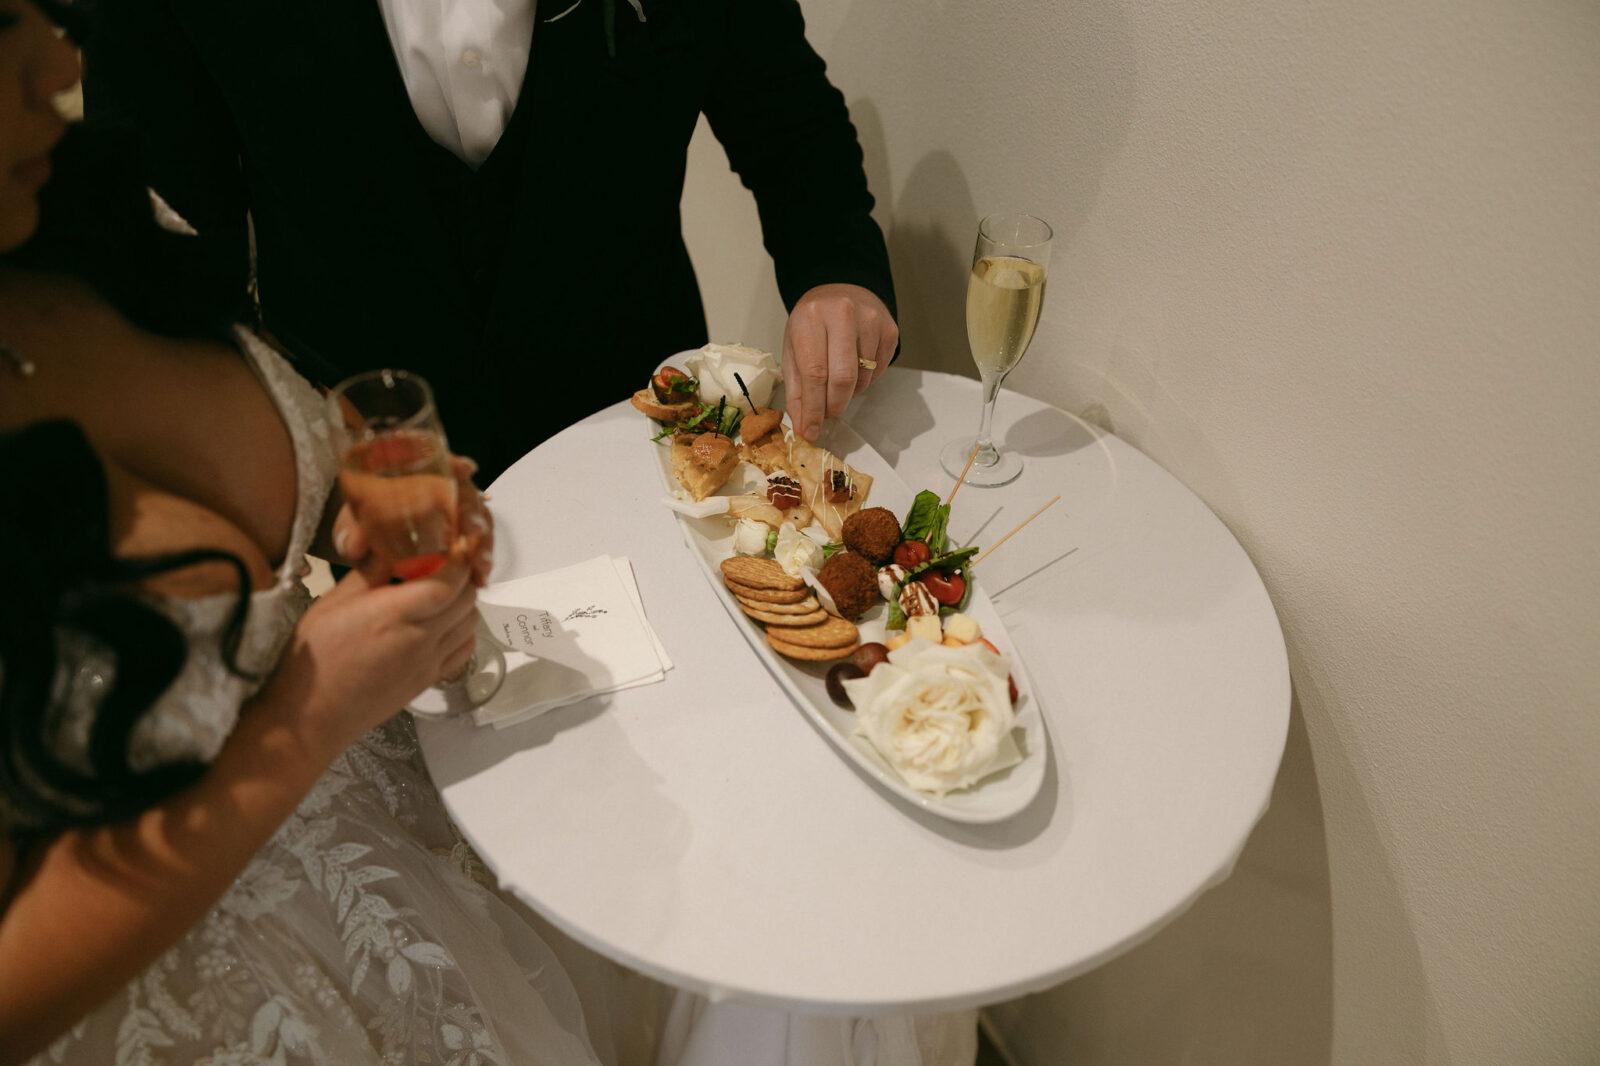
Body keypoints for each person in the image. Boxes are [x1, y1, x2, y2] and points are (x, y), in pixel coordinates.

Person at [0, 5, 975, 1065]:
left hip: (622, 485)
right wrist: (311, 705)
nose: (57, 56)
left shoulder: (71, 228)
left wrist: (337, 489)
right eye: (6, 23)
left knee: (762, 885)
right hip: (288, 893)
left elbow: (787, 119)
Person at [81, 0, 901, 482]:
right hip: (362, 457)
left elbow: (793, 132)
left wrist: (838, 276)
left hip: (636, 434)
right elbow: (163, 242)